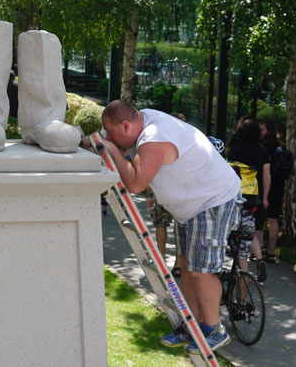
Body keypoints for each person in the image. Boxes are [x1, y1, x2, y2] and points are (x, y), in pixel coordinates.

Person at [101, 100, 241, 354]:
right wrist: (109, 144)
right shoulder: (144, 120)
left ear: (125, 125)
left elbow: (135, 184)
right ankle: (193, 328)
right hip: (192, 207)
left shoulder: (154, 136)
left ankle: (215, 329)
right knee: (186, 268)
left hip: (212, 201)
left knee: (201, 270)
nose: (107, 137)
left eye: (110, 132)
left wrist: (112, 149)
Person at [228, 119, 271, 283]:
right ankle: (259, 258)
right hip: (254, 195)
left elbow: (229, 172)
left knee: (234, 233)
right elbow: (267, 175)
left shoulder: (236, 149)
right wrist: (265, 197)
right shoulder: (262, 151)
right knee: (249, 230)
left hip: (237, 196)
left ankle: (237, 275)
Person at [148, 112, 187, 278]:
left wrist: (151, 192)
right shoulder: (188, 142)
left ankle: (161, 259)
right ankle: (177, 265)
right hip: (181, 192)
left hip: (163, 190)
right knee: (179, 227)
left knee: (160, 224)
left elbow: (153, 168)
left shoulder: (161, 140)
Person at [260, 120, 285, 262]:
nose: (260, 132)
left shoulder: (265, 148)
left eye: (262, 130)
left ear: (268, 131)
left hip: (265, 187)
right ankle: (271, 251)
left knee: (260, 221)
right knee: (273, 220)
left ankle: (262, 249)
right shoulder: (281, 147)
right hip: (278, 187)